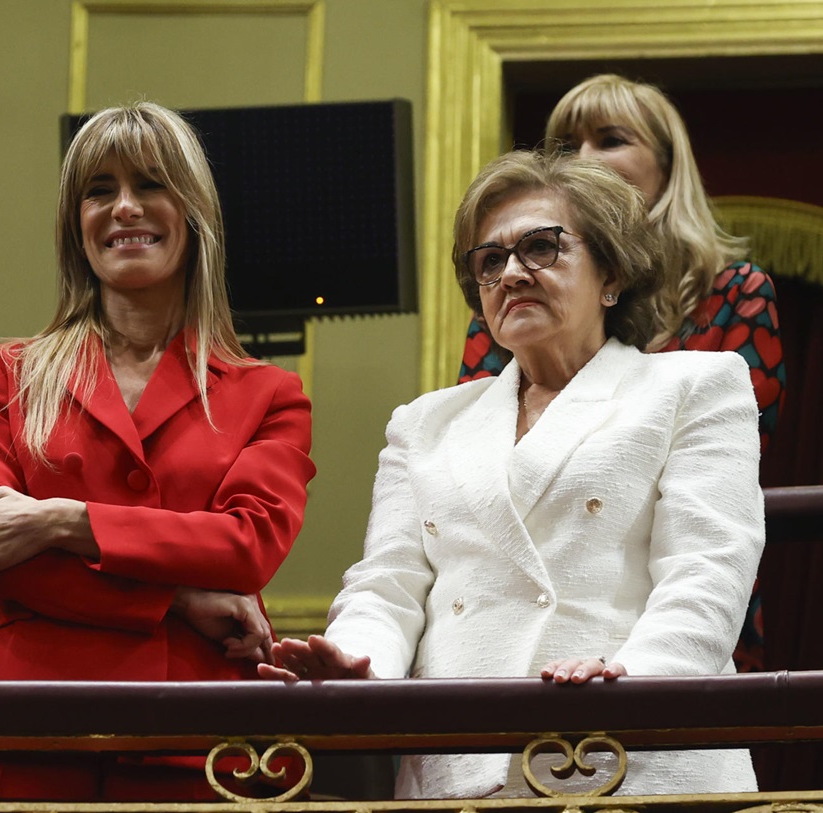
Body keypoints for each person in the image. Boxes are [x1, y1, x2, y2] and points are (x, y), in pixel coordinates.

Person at [263, 150, 763, 799]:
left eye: (541, 247)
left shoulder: (694, 385)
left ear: (611, 274)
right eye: (490, 261)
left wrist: (633, 681)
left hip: (637, 755)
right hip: (460, 769)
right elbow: (384, 589)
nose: (512, 273)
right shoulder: (423, 424)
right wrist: (361, 664)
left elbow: (709, 570)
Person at [0, 102, 316, 800]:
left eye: (150, 183)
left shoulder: (270, 392)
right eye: (99, 190)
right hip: (21, 730)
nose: (124, 207)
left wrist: (59, 520)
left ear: (193, 212)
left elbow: (247, 545)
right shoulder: (5, 374)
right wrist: (173, 597)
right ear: (74, 224)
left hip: (199, 739)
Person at [458, 73, 783, 670]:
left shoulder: (736, 291)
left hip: (681, 582)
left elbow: (734, 460)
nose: (586, 159)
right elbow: (477, 460)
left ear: (666, 166)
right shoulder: (507, 300)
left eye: (609, 139)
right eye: (566, 146)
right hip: (519, 592)